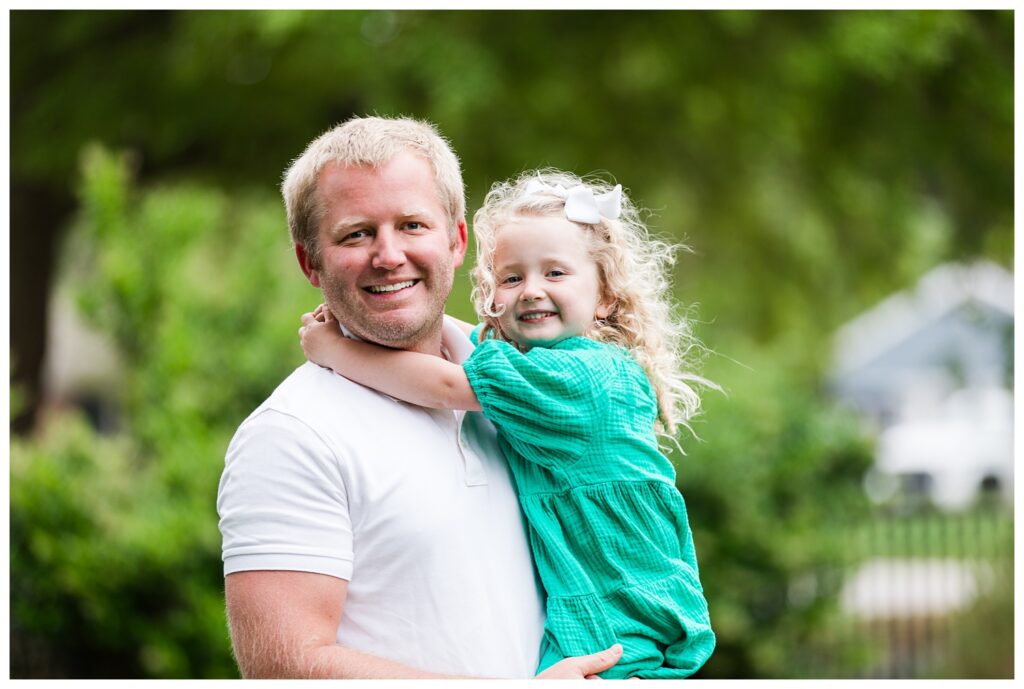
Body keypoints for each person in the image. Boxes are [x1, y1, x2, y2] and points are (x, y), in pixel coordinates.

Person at [217, 117, 624, 679]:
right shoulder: (290, 435)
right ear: (309, 261)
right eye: (356, 233)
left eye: (412, 224)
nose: (388, 255)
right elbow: (287, 667)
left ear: (457, 242)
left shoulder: (528, 380)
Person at [299, 169, 717, 679]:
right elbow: (475, 344)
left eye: (555, 274)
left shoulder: (580, 379)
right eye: (513, 277)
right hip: (611, 589)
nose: (531, 291)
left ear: (605, 295)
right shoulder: (565, 366)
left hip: (615, 605)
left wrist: (337, 349)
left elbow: (447, 385)